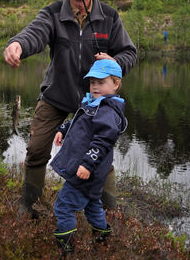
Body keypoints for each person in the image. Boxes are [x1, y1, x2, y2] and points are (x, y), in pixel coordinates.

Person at [3, 0, 136, 218]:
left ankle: (109, 212)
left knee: (102, 154)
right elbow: (36, 33)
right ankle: (30, 207)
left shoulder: (109, 17)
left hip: (96, 100)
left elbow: (129, 53)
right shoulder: (52, 13)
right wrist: (18, 44)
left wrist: (115, 61)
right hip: (56, 95)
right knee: (37, 149)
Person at [51, 59, 127, 255]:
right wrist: (63, 129)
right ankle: (103, 239)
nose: (95, 86)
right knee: (92, 205)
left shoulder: (108, 111)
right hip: (90, 172)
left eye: (101, 82)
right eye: (92, 82)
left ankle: (66, 250)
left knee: (63, 207)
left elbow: (102, 142)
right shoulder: (94, 103)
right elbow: (80, 121)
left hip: (86, 170)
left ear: (116, 84)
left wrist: (87, 164)